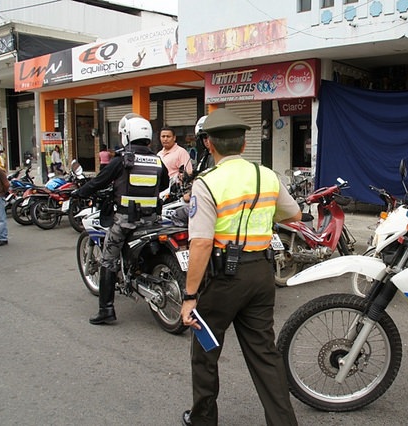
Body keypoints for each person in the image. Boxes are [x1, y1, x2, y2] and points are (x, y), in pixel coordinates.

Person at [179, 108, 301, 426]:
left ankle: (203, 419)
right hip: (261, 274)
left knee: (206, 350)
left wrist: (190, 296)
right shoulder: (266, 175)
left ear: (209, 144)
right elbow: (294, 215)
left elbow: (201, 243)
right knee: (265, 354)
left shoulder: (207, 183)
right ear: (244, 144)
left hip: (221, 281)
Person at [72, 113, 169, 325]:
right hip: (152, 220)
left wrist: (79, 193)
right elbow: (163, 186)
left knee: (108, 259)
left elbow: (98, 182)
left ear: (127, 135)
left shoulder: (122, 160)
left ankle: (106, 310)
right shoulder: (157, 160)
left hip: (126, 221)